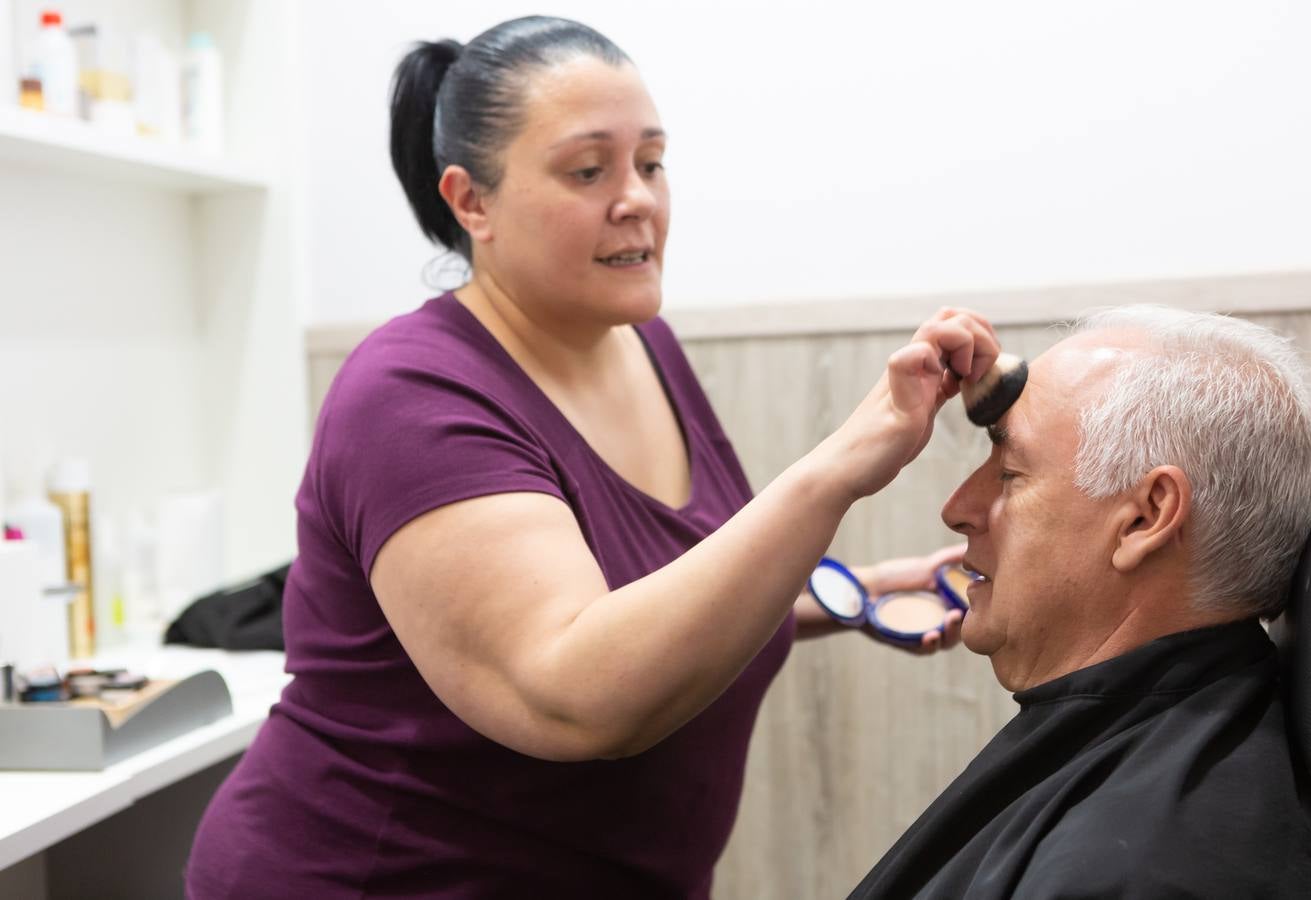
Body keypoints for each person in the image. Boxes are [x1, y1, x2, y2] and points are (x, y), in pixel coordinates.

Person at [186, 15, 994, 899]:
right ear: (471, 201)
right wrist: (840, 464)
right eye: (587, 170)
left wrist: (848, 593)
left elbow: (647, 593)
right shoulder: (410, 394)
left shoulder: (642, 347)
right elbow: (573, 692)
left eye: (651, 162)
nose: (637, 198)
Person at [849, 305, 1311, 899]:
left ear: (1145, 517)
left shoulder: (1146, 872)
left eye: (1010, 473)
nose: (957, 507)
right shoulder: (1186, 761)